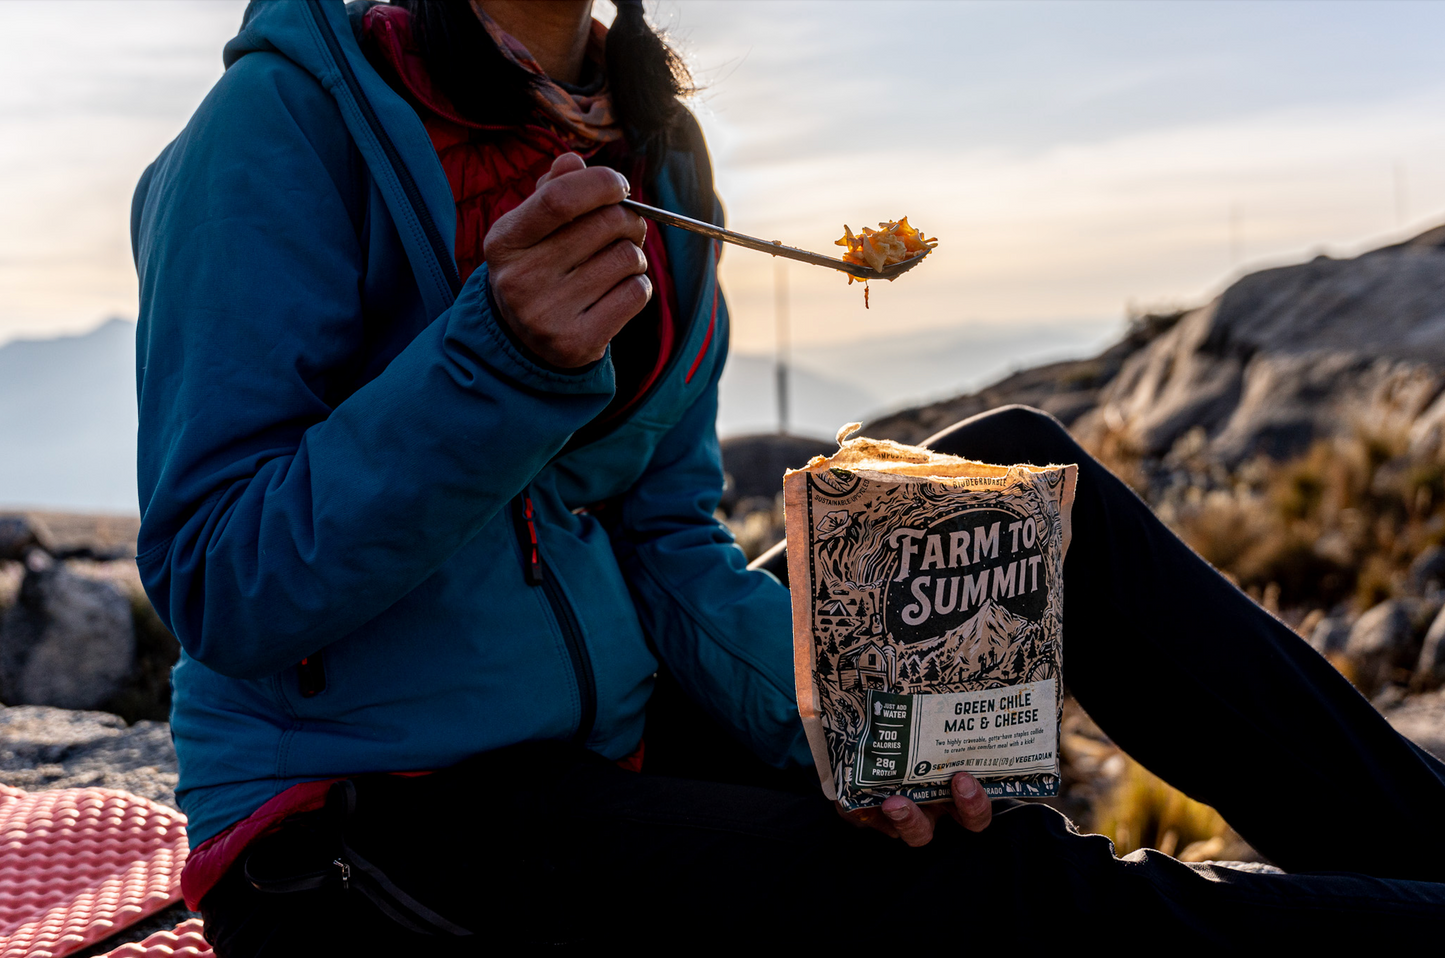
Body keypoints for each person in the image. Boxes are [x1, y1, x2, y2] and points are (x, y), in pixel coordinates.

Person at [131, 1, 1445, 952]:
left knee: (1026, 482)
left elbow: (667, 538)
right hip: (369, 826)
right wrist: (498, 361)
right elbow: (218, 583)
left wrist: (845, 732)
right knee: (993, 888)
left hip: (614, 743)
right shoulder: (283, 126)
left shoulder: (655, 142)